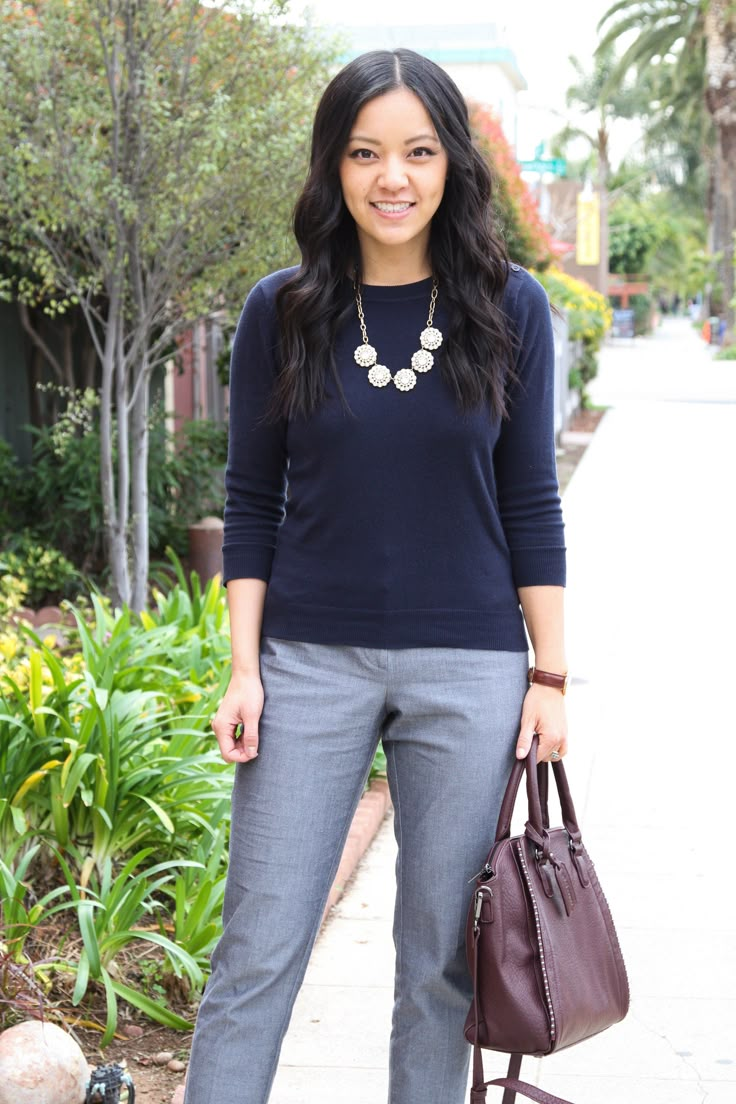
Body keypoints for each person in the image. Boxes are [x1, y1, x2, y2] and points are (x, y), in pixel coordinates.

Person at [184, 48, 568, 1104]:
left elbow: (530, 498)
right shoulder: (285, 308)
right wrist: (243, 670)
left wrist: (551, 677)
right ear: (333, 166)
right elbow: (251, 501)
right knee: (257, 949)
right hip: (308, 662)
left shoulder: (508, 306)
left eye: (416, 151)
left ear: (450, 165)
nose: (390, 177)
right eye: (364, 152)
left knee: (440, 968)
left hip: (471, 668)